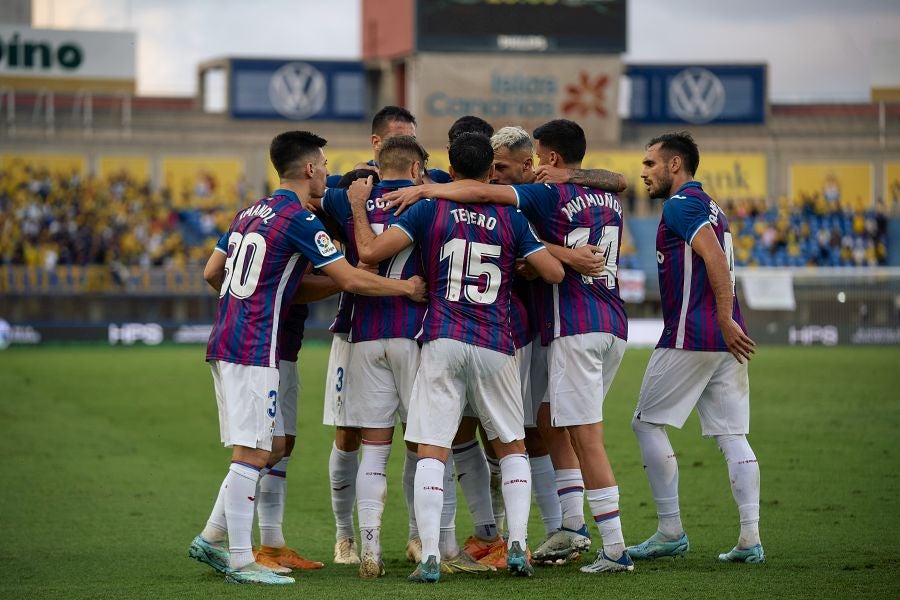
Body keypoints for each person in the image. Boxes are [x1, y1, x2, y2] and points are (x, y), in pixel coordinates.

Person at [381, 119, 634, 574]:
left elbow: (373, 248)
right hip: (511, 336)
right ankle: (515, 538)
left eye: (510, 166)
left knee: (450, 445)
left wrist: (419, 194)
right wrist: (557, 257)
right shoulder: (526, 211)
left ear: (539, 161)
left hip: (475, 333)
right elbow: (616, 184)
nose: (498, 177)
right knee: (527, 434)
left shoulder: (524, 195)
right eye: (493, 168)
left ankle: (445, 549)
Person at [188, 130, 426, 585]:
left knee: (269, 446)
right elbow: (352, 281)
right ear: (310, 169)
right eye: (324, 164)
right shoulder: (299, 218)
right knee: (253, 450)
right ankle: (241, 558)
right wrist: (405, 288)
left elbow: (212, 271)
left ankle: (212, 536)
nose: (328, 172)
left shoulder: (248, 212)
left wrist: (248, 298)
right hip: (256, 344)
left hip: (229, 338)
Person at [349, 132, 565, 582]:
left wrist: (356, 207)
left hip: (443, 337)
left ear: (449, 167)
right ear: (491, 171)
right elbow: (554, 271)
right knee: (511, 447)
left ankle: (430, 556)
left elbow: (369, 252)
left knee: (432, 448)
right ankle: (519, 547)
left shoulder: (430, 207)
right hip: (495, 343)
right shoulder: (511, 217)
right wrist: (521, 263)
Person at [626, 132, 762, 564]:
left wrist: (721, 317)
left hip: (694, 333)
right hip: (725, 339)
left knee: (646, 424)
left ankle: (670, 530)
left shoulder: (681, 205)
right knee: (732, 435)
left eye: (650, 164)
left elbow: (714, 260)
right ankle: (749, 539)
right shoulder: (712, 207)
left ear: (675, 165)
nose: (643, 172)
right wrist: (729, 321)